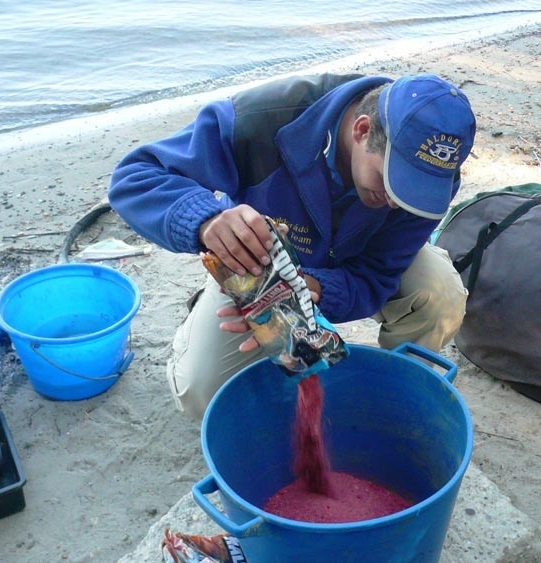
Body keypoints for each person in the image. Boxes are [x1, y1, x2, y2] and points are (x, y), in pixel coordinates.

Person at [108, 73, 476, 420]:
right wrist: (205, 220)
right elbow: (134, 177)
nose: (398, 203)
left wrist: (319, 289)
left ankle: (396, 395)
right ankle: (198, 317)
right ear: (362, 130)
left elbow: (378, 274)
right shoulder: (260, 121)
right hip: (258, 270)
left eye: (413, 191)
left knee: (439, 292)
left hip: (341, 268)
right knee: (199, 391)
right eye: (390, 181)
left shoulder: (432, 174)